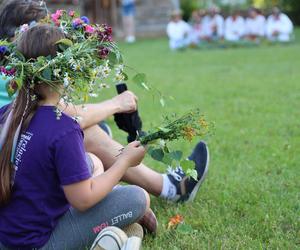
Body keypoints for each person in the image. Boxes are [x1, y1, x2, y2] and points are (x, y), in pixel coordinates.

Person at [0, 0, 210, 207]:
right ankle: (170, 187)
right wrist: (116, 105)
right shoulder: (13, 76)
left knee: (96, 130)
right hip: (18, 184)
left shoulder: (14, 74)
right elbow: (64, 118)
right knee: (85, 135)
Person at [0, 24, 150, 250]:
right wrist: (124, 162)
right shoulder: (62, 128)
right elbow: (83, 200)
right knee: (138, 198)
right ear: (68, 70)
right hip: (35, 244)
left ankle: (117, 238)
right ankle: (111, 241)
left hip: (7, 236)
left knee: (92, 168)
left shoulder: (9, 113)